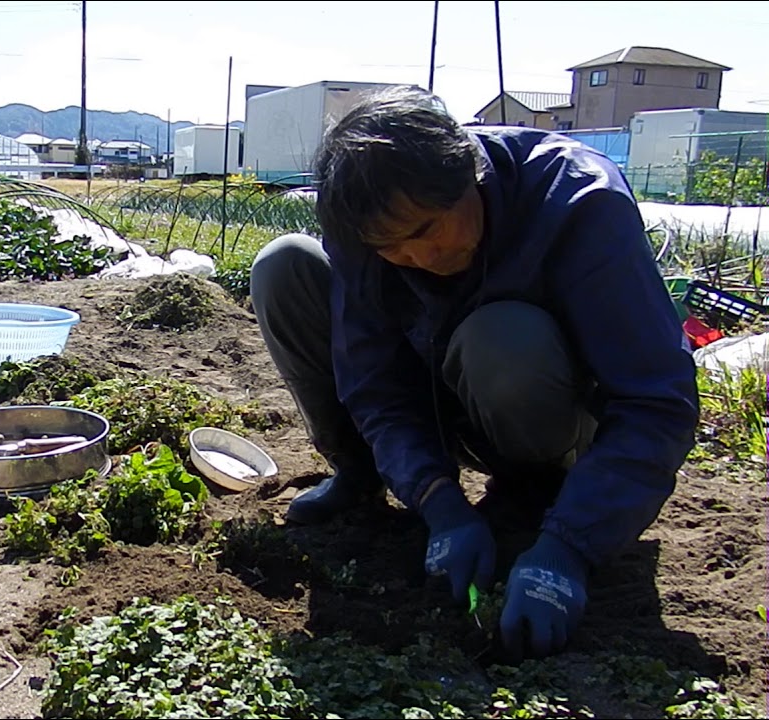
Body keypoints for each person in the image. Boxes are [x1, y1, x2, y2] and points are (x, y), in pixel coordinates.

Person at [249, 85, 699, 660]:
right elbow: (375, 382)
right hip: (441, 395)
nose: (422, 257)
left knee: (502, 336)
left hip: (547, 412)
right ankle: (362, 475)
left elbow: (656, 401)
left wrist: (570, 548)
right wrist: (439, 502)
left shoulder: (578, 202)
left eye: (429, 228)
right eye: (393, 247)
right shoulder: (365, 223)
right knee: (285, 266)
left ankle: (538, 502)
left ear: (470, 176)